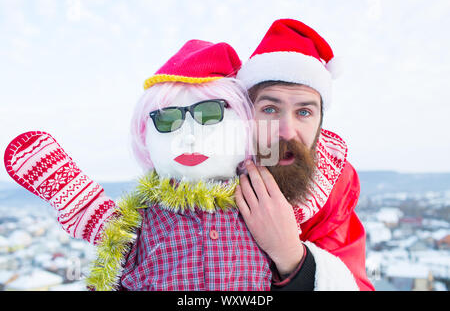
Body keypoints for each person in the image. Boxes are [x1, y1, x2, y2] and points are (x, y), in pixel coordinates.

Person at [4, 40, 273, 290]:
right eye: (167, 120)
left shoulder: (267, 203)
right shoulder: (140, 223)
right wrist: (78, 199)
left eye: (210, 112)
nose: (189, 136)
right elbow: (107, 250)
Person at [235, 18, 375, 291]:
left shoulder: (332, 191)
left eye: (304, 112)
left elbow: (355, 282)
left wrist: (292, 257)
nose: (288, 131)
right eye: (270, 109)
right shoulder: (205, 171)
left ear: (320, 123)